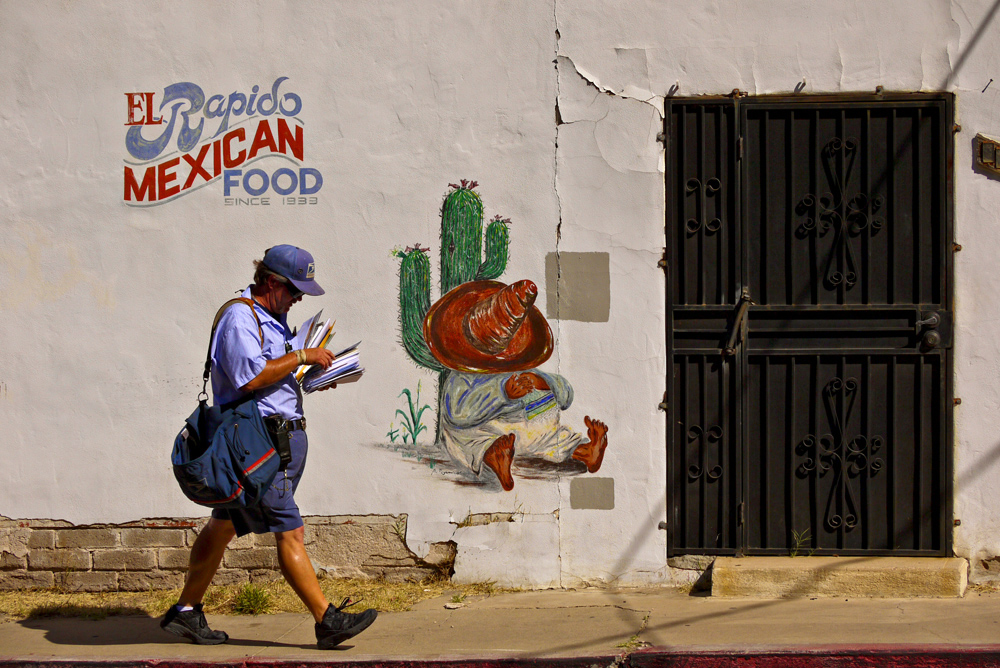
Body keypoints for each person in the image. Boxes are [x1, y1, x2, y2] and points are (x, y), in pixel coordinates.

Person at [161, 245, 377, 649]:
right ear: (271, 282)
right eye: (294, 290)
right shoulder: (240, 317)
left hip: (274, 439)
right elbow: (249, 377)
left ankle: (186, 612)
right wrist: (301, 354)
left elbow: (275, 376)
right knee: (289, 529)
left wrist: (308, 374)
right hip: (257, 447)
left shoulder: (273, 320)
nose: (298, 299)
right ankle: (326, 620)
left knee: (222, 524)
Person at [424, 278, 608, 491]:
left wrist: (542, 383)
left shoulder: (480, 373)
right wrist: (509, 392)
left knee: (458, 434)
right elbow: (458, 413)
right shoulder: (492, 370)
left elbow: (458, 413)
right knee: (545, 435)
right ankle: (580, 451)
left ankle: (497, 454)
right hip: (517, 431)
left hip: (514, 428)